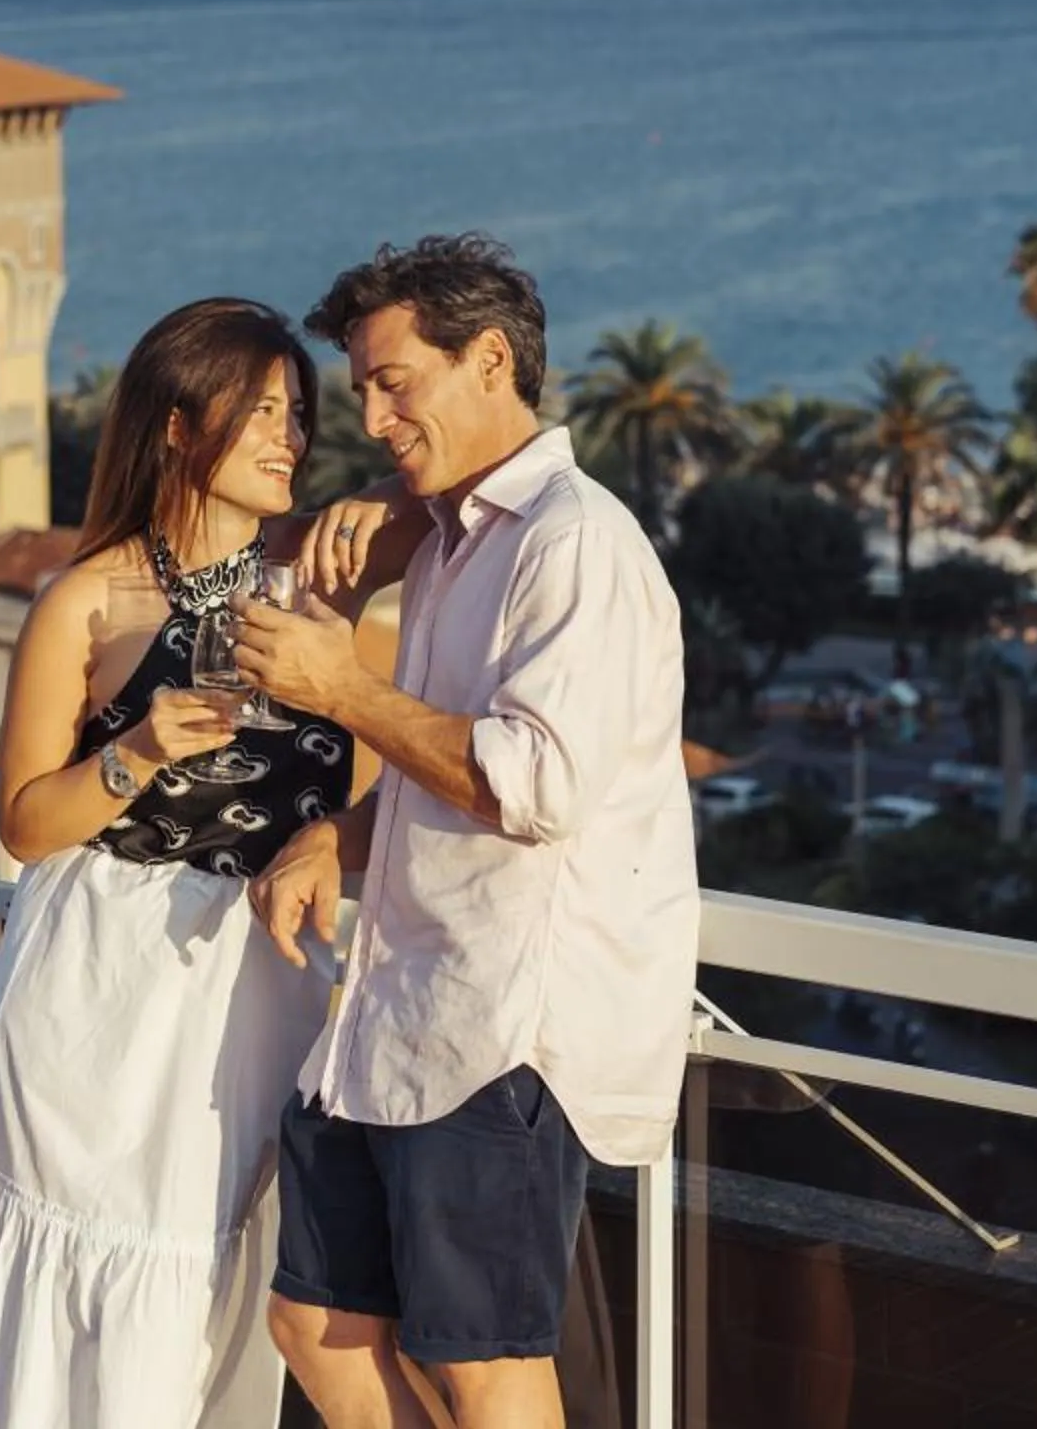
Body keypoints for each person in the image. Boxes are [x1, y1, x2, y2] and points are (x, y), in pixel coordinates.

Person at [0, 298, 372, 1429]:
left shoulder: (324, 588)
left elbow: (400, 736)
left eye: (298, 414)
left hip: (255, 979)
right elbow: (23, 819)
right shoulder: (86, 599)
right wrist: (140, 749)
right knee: (74, 1235)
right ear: (177, 425)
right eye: (261, 412)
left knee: (199, 1261)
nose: (290, 437)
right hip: (99, 978)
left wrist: (334, 838)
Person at [234, 235, 698, 1429]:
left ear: (490, 359)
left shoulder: (575, 542)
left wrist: (343, 689)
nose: (377, 416)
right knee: (316, 1324)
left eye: (398, 381)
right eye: (364, 392)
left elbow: (537, 783)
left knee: (486, 1364)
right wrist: (333, 837)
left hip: (502, 1030)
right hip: (398, 1013)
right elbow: (443, 762)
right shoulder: (450, 540)